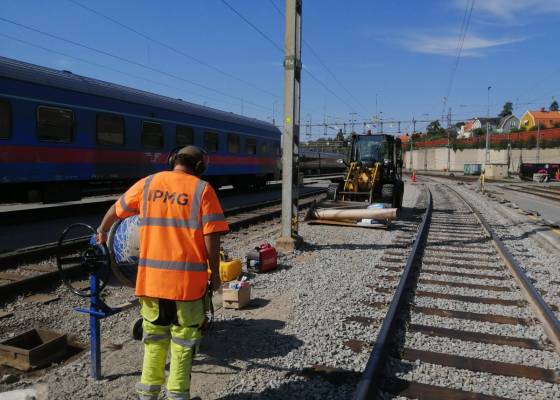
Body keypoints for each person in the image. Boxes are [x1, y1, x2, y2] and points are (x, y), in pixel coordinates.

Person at [96, 145, 229, 400]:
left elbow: (116, 209)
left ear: (173, 161)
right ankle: (177, 395)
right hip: (186, 286)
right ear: (199, 167)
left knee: (154, 340)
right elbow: (212, 237)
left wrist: (102, 230)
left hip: (151, 283)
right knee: (184, 341)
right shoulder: (203, 190)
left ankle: (147, 395)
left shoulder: (148, 184)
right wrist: (215, 274)